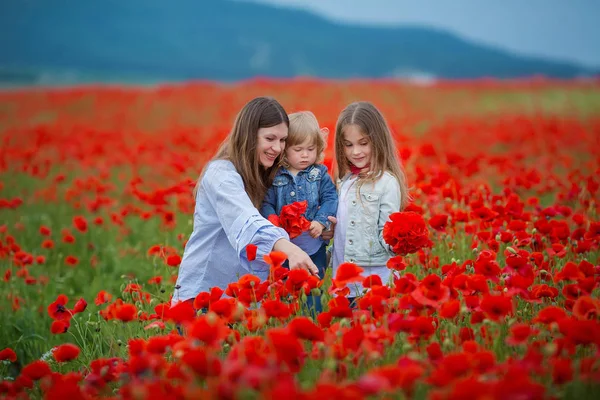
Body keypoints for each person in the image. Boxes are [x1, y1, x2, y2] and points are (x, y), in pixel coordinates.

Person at [172, 97, 319, 305]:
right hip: (203, 298)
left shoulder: (267, 176)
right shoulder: (221, 175)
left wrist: (318, 228)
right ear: (249, 136)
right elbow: (247, 222)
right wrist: (292, 251)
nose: (277, 148)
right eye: (270, 138)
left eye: (283, 140)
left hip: (243, 302)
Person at [330, 101, 409, 301]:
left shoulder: (386, 183)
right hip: (345, 284)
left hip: (374, 285)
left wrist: (403, 241)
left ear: (378, 141)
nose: (356, 151)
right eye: (348, 145)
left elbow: (387, 232)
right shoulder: (345, 181)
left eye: (363, 143)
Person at [260, 111, 338, 313]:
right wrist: (273, 220)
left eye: (310, 149)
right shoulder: (275, 175)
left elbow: (331, 198)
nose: (305, 155)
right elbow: (266, 202)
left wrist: (321, 222)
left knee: (313, 290)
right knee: (284, 291)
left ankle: (314, 320)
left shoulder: (318, 174)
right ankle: (287, 320)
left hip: (313, 245)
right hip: (285, 246)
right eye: (298, 149)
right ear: (285, 150)